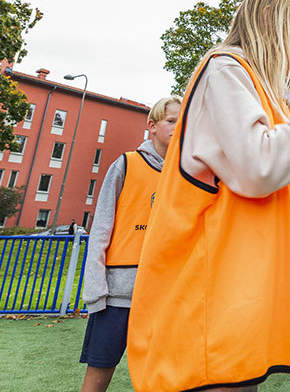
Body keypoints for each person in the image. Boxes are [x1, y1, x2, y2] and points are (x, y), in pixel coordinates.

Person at [126, 0, 290, 391]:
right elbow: (258, 168)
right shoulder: (225, 69)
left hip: (234, 317)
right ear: (272, 19)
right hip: (202, 314)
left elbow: (253, 204)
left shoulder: (272, 96)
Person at [79, 96, 181, 392]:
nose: (178, 127)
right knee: (97, 380)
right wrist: (96, 288)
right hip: (117, 296)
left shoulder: (186, 176)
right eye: (171, 121)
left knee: (160, 381)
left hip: (163, 296)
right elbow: (101, 228)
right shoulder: (126, 164)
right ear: (152, 125)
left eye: (182, 122)